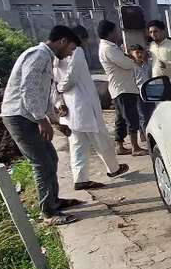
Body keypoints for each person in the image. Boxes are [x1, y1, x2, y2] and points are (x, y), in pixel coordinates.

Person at [0, 25, 83, 225]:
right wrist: (41, 120)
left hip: (28, 116)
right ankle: (48, 213)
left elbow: (41, 95)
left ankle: (53, 202)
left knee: (51, 158)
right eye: (71, 48)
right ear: (62, 41)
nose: (71, 53)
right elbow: (27, 90)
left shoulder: (45, 57)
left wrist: (54, 121)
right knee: (42, 163)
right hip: (20, 117)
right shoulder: (38, 55)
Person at [55, 26, 129, 190]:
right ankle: (113, 169)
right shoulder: (77, 51)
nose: (87, 43)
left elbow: (54, 82)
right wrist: (61, 90)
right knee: (101, 139)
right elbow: (70, 78)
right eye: (86, 39)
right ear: (80, 38)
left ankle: (80, 178)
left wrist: (59, 102)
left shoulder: (57, 56)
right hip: (83, 106)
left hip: (71, 108)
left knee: (78, 144)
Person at [97, 20, 148, 156]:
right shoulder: (109, 48)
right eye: (116, 31)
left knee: (121, 119)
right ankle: (135, 147)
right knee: (131, 118)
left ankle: (120, 145)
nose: (118, 33)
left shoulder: (109, 47)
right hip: (123, 88)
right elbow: (125, 63)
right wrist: (136, 60)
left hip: (120, 88)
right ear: (110, 32)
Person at [128, 44, 155, 134]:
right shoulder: (131, 67)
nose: (140, 54)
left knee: (152, 114)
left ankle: (151, 134)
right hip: (138, 94)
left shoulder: (147, 65)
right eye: (137, 52)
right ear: (131, 54)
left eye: (141, 52)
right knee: (143, 116)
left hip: (149, 93)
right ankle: (145, 136)